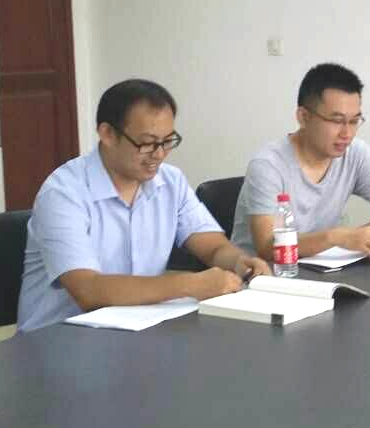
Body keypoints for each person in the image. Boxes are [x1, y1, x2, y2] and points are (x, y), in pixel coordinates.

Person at [18, 79, 270, 332]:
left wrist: (239, 262)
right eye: (147, 143)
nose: (159, 154)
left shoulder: (170, 182)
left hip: (136, 330)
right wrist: (189, 285)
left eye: (168, 141)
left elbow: (213, 247)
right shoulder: (64, 193)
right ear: (107, 134)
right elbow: (88, 290)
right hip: (58, 338)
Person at [231, 63, 370, 262]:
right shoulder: (268, 165)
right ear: (304, 117)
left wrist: (358, 237)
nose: (347, 133)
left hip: (322, 270)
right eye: (336, 121)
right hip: (263, 274)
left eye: (354, 121)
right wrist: (336, 238)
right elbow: (268, 247)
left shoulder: (356, 153)